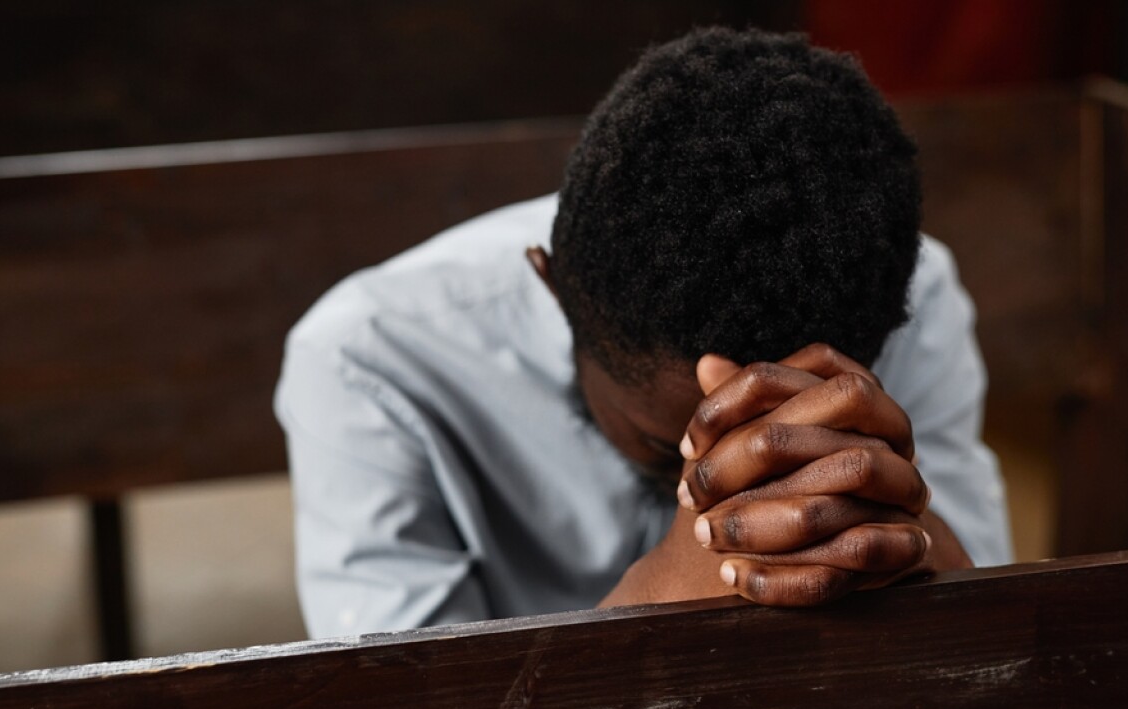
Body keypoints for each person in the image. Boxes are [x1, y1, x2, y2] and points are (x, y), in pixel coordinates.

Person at [275, 27, 1013, 639]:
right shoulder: (368, 363)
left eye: (808, 427)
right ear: (551, 287)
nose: (745, 500)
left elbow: (998, 639)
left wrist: (924, 547)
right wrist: (659, 598)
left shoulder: (910, 291)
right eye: (669, 450)